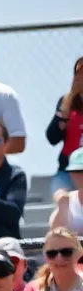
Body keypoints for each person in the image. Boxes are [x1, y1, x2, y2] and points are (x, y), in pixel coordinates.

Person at [47, 57, 83, 194]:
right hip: (68, 171)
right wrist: (65, 109)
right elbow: (52, 137)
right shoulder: (66, 101)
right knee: (61, 199)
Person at [49, 148, 83, 235]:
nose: (80, 176)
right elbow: (54, 236)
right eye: (75, 171)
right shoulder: (67, 200)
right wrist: (62, 207)